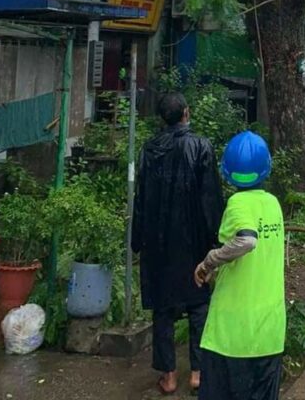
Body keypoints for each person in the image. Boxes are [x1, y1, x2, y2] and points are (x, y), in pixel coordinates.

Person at [132, 92, 224, 396]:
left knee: (163, 308)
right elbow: (210, 198)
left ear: (163, 117)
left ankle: (169, 376)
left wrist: (137, 239)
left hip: (158, 243)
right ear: (187, 112)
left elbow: (141, 199)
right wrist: (216, 238)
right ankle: (197, 372)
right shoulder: (201, 146)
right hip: (192, 240)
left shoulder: (149, 149)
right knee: (198, 304)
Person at [194, 130, 286, 400]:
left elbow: (247, 241)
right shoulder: (273, 204)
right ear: (266, 168)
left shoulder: (236, 203)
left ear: (227, 172)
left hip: (231, 336)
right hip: (269, 333)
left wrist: (209, 262)